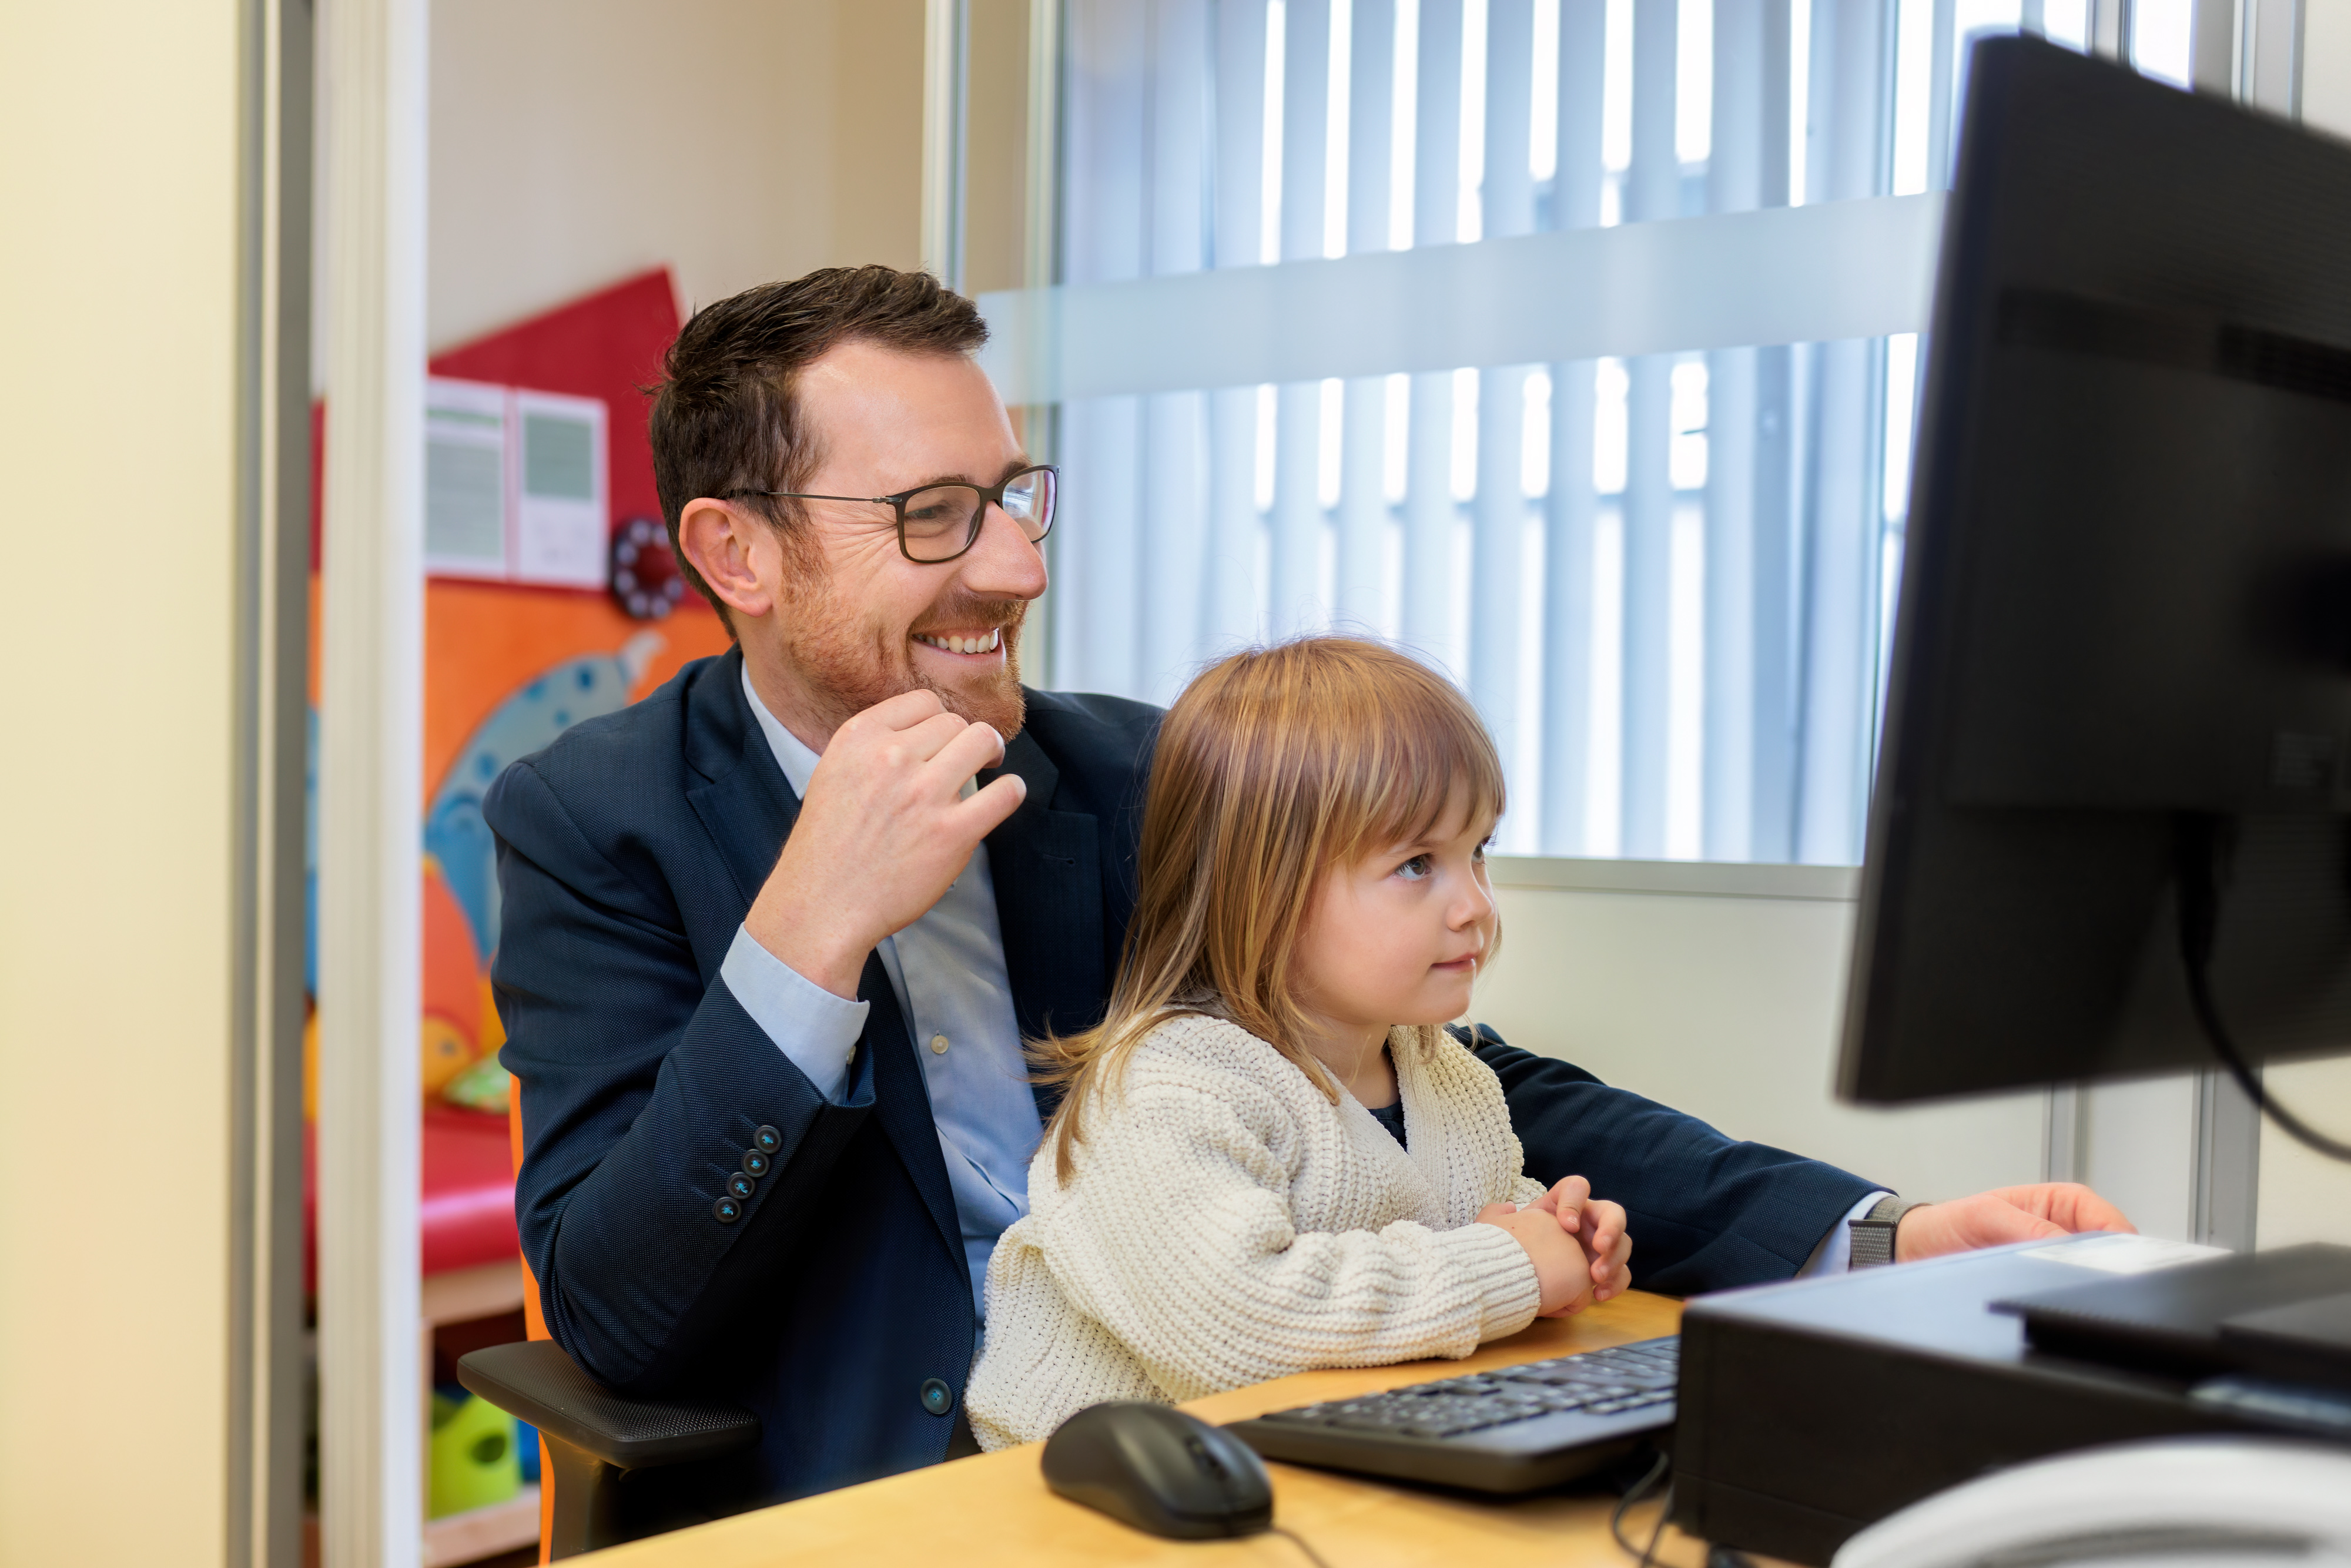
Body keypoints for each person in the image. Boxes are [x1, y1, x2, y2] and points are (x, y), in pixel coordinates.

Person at [486, 265, 2132, 1527]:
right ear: (739, 552)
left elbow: (1450, 1078)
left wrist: (1879, 1233)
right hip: (877, 1497)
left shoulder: (1132, 773)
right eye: (935, 516)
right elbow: (624, 1315)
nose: (1017, 567)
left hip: (1243, 1424)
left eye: (1012, 496)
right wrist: (808, 929)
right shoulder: (596, 819)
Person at [968, 638, 1630, 1450]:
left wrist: (1554, 1227)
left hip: (1315, 1459)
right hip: (1083, 1504)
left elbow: (1464, 1215)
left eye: (1478, 851)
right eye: (1419, 864)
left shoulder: (1445, 1074)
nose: (1476, 906)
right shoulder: (1165, 1092)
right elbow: (1236, 1328)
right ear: (1267, 890)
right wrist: (1509, 1267)